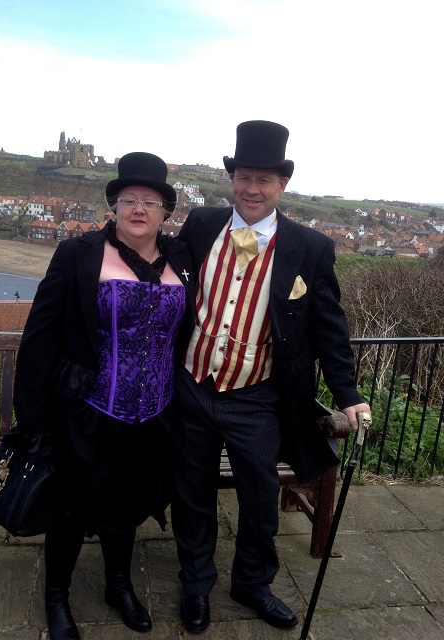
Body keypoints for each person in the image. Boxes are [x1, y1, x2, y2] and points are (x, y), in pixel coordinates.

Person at [170, 120, 372, 633]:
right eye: (243, 177)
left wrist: (346, 394)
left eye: (264, 180)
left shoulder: (309, 248)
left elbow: (329, 327)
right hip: (192, 386)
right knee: (191, 494)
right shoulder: (200, 224)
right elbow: (159, 274)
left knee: (260, 497)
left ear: (282, 185)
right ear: (231, 178)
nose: (252, 189)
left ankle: (252, 583)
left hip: (255, 396)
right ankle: (196, 585)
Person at [13, 152, 195, 639]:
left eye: (150, 201)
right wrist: (32, 421)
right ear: (114, 205)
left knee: (130, 504)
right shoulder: (79, 254)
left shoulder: (182, 258)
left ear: (166, 212)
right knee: (72, 508)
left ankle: (119, 585)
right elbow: (39, 338)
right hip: (88, 409)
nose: (139, 208)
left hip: (156, 412)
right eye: (128, 199)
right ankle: (57, 597)